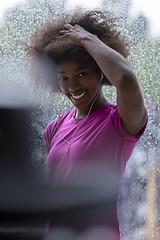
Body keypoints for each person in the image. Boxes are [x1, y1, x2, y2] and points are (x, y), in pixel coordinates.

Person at [26, 10, 147, 239]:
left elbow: (126, 79)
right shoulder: (56, 126)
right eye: (63, 77)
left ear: (101, 72)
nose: (73, 85)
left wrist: (86, 38)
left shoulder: (118, 122)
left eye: (82, 74)